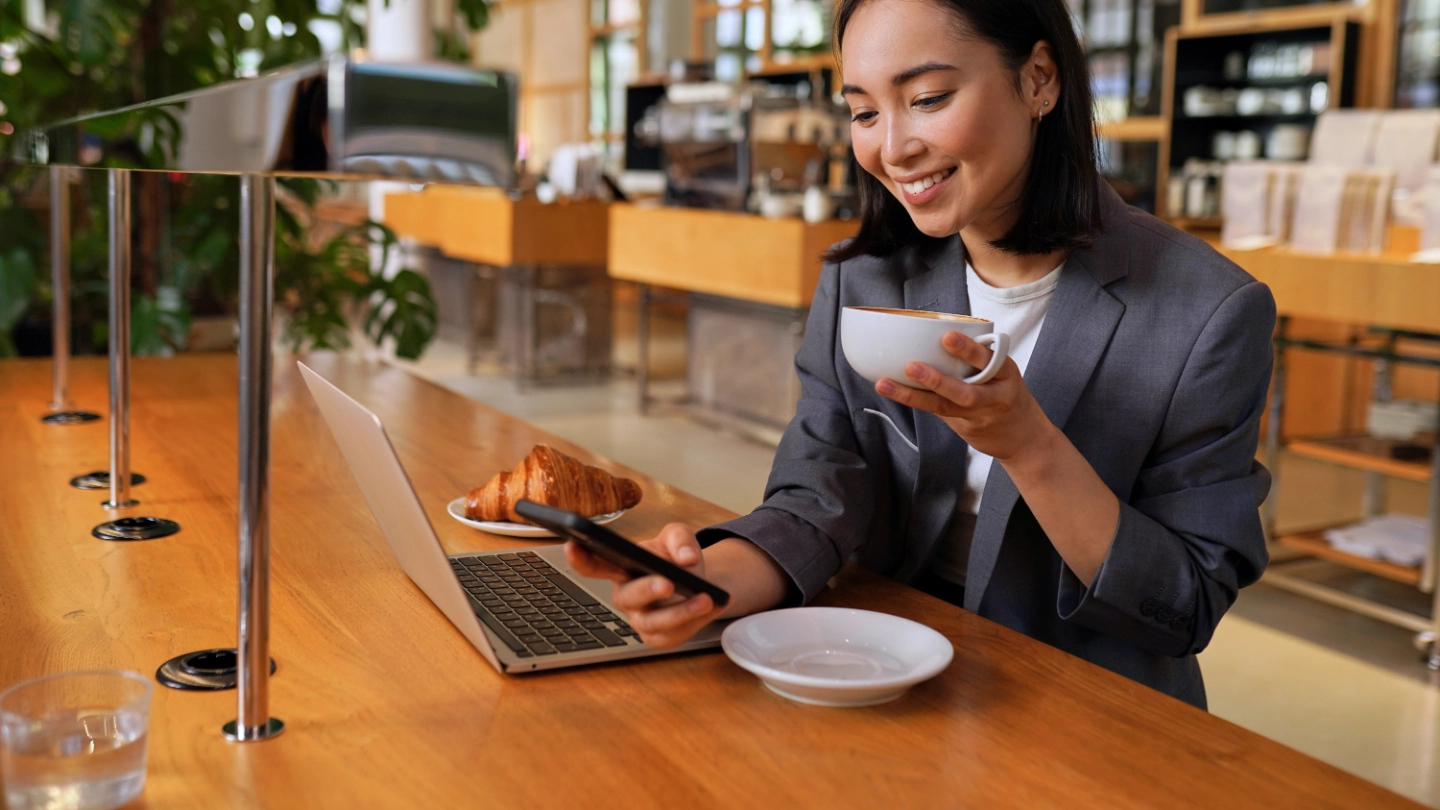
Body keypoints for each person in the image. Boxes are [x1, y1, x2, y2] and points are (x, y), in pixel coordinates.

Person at [569, 0, 1275, 708]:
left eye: (928, 99)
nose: (893, 147)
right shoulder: (863, 276)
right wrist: (705, 583)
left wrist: (1029, 447)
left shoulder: (1207, 312)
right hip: (881, 673)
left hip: (1083, 704)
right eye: (865, 113)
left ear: (1038, 80)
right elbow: (819, 495)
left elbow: (1185, 604)